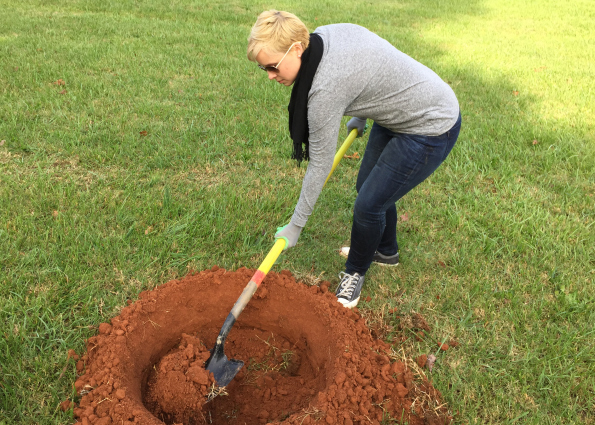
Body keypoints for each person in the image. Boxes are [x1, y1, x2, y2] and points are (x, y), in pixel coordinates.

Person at [247, 10, 461, 308]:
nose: (270, 75)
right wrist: (361, 111)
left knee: (369, 204)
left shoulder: (324, 90)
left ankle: (355, 273)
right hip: (399, 114)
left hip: (430, 125)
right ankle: (386, 251)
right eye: (263, 69)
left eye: (272, 66)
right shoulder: (325, 35)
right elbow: (373, 62)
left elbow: (320, 164)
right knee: (368, 187)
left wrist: (295, 225)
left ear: (297, 48)